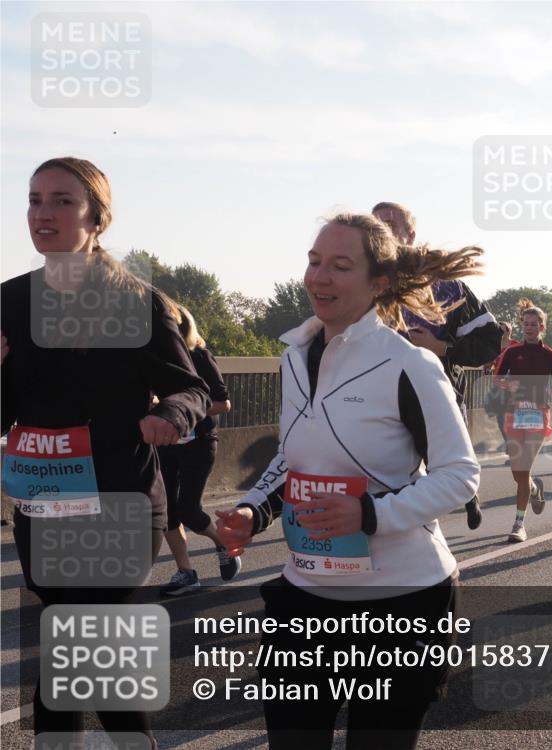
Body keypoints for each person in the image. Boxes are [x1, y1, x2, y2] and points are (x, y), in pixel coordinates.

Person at [214, 212, 480, 750]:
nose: (319, 278)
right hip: (307, 592)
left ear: (378, 283)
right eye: (314, 262)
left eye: (340, 266)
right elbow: (292, 457)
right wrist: (253, 511)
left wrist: (369, 516)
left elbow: (460, 475)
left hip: (401, 600)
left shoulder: (410, 365)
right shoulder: (293, 358)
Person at [1, 157, 209, 746]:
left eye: (62, 201)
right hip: (43, 505)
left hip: (119, 499)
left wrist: (168, 415)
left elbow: (192, 387)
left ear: (96, 218)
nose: (43, 214)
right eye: (35, 200)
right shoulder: (10, 301)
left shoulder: (137, 301)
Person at [372, 201, 501, 530]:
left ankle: (467, 496)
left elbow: (490, 341)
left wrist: (441, 347)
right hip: (380, 396)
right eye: (375, 223)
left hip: (435, 391)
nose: (382, 228)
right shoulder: (362, 284)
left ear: (410, 235)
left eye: (390, 223)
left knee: (443, 467)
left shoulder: (445, 284)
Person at [157, 302, 239, 595]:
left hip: (199, 443)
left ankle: (224, 544)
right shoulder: (157, 359)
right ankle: (186, 572)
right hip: (166, 442)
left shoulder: (199, 355)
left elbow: (223, 403)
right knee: (166, 512)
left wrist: (183, 411)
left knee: (189, 510)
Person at [493, 299, 552, 542]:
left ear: (542, 327)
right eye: (526, 324)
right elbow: (496, 378)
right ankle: (534, 489)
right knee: (518, 474)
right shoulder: (512, 352)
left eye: (534, 324)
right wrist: (507, 384)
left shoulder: (550, 354)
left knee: (523, 468)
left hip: (537, 414)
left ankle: (518, 523)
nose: (529, 327)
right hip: (514, 414)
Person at [484, 321, 517, 457]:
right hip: (499, 387)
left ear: (509, 332)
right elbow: (487, 367)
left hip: (515, 387)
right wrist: (488, 363)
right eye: (499, 331)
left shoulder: (515, 345)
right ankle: (510, 445)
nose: (502, 334)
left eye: (504, 331)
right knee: (500, 419)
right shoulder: (494, 347)